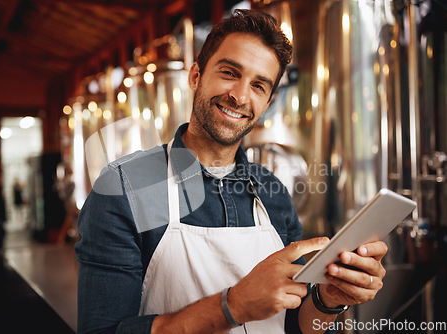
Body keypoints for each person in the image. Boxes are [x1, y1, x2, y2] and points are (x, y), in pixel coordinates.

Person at [75, 9, 388, 334]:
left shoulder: (273, 193)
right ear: (196, 75)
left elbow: (296, 327)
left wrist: (328, 301)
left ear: (266, 104)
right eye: (229, 72)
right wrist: (233, 306)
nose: (240, 96)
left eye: (258, 86)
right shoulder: (125, 188)